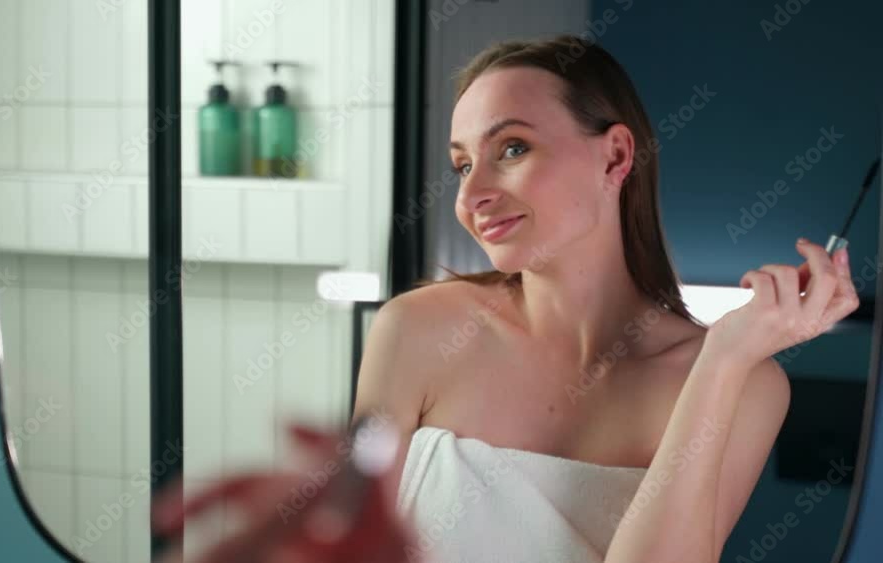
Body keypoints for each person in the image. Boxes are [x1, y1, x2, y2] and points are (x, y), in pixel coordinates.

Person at [151, 35, 860, 563]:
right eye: (462, 163)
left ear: (616, 156)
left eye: (511, 149)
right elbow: (353, 541)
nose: (471, 195)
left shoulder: (743, 383)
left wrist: (721, 359)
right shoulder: (417, 330)